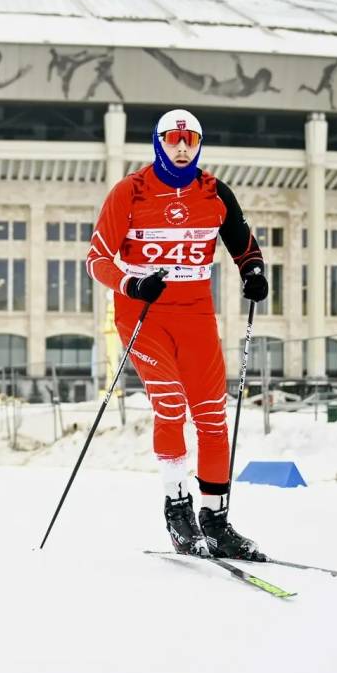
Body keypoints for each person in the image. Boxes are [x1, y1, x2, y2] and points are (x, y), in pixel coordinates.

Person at [86, 109, 269, 560]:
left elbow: (244, 244)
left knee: (211, 415)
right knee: (170, 404)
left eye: (190, 140)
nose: (182, 147)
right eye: (173, 139)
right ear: (158, 142)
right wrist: (131, 282)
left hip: (196, 315)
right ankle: (178, 508)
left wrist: (254, 272)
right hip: (143, 314)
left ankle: (216, 520)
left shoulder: (215, 193)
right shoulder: (130, 191)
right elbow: (97, 258)